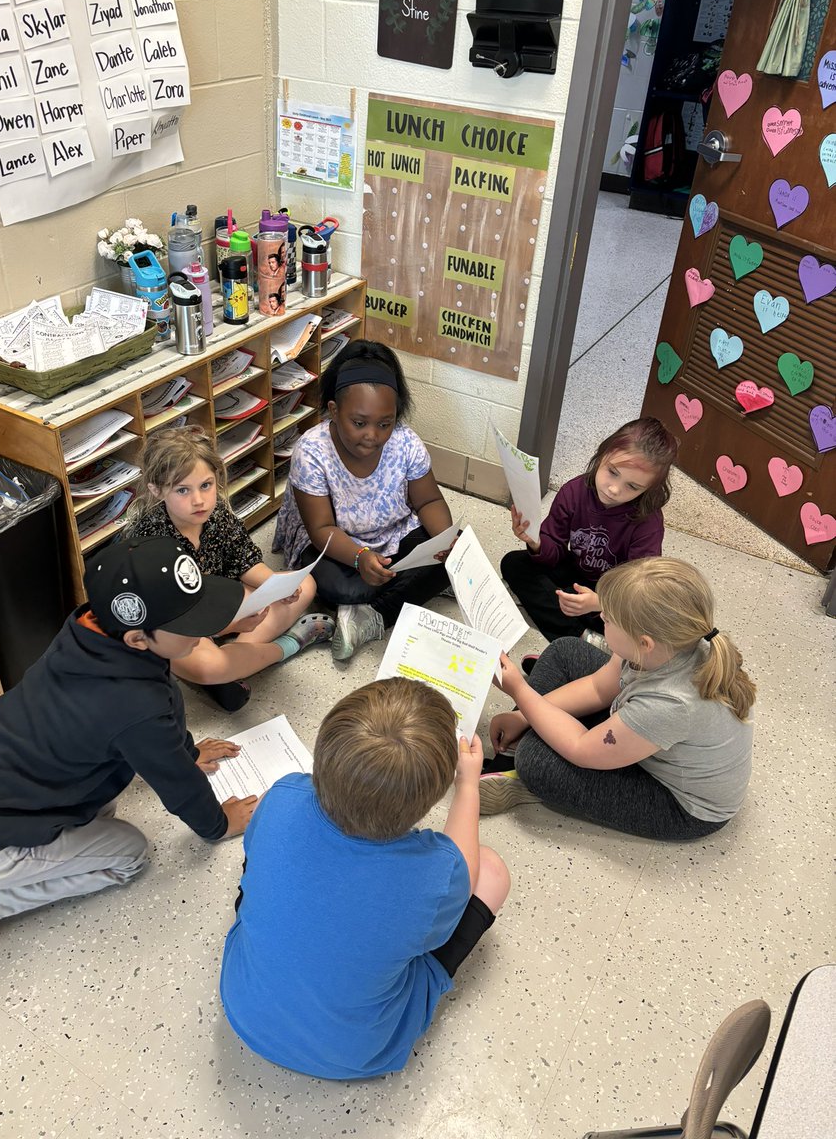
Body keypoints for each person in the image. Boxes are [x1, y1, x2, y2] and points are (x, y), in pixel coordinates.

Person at [0, 536, 260, 1002]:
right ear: (137, 637)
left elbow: (159, 719)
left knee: (103, 799)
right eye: (189, 625)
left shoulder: (86, 632)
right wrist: (218, 824)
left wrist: (185, 751)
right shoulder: (132, 704)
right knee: (130, 854)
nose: (203, 634)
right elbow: (177, 786)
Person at [219, 678, 510, 1078]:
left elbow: (253, 860)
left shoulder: (282, 793)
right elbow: (463, 866)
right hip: (358, 1052)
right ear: (428, 799)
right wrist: (467, 787)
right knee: (491, 871)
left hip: (242, 1007)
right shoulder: (440, 871)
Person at [479, 557, 756, 841]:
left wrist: (520, 692)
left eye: (608, 619)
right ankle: (526, 730)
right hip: (649, 732)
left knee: (536, 762)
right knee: (565, 651)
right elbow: (599, 688)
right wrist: (522, 715)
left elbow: (579, 748)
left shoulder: (671, 704)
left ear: (643, 642)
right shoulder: (669, 641)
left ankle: (517, 769)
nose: (601, 618)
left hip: (680, 807)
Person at [125, 426, 332, 711]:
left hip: (225, 602)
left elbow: (245, 562)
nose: (199, 500)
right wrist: (230, 623)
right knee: (207, 665)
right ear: (156, 490)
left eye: (206, 485)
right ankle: (286, 646)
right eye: (183, 490)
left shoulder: (217, 512)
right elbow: (175, 613)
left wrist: (276, 586)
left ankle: (232, 665)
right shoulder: (150, 538)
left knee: (305, 585)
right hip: (180, 625)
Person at [273, 341, 455, 660]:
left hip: (391, 533)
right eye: (359, 423)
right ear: (334, 410)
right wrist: (360, 558)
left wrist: (444, 542)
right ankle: (413, 586)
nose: (372, 435)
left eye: (384, 424)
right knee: (347, 589)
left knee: (450, 550)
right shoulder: (311, 452)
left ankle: (372, 616)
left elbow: (428, 502)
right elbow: (321, 528)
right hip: (331, 541)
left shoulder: (405, 442)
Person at [501, 418, 677, 648]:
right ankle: (584, 639)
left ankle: (583, 639)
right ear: (601, 455)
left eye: (632, 487)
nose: (614, 489)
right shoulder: (574, 491)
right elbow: (553, 549)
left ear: (649, 489)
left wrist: (599, 603)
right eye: (612, 472)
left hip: (614, 599)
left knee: (652, 626)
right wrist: (535, 542)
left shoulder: (648, 521)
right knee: (514, 563)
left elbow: (640, 587)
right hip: (576, 576)